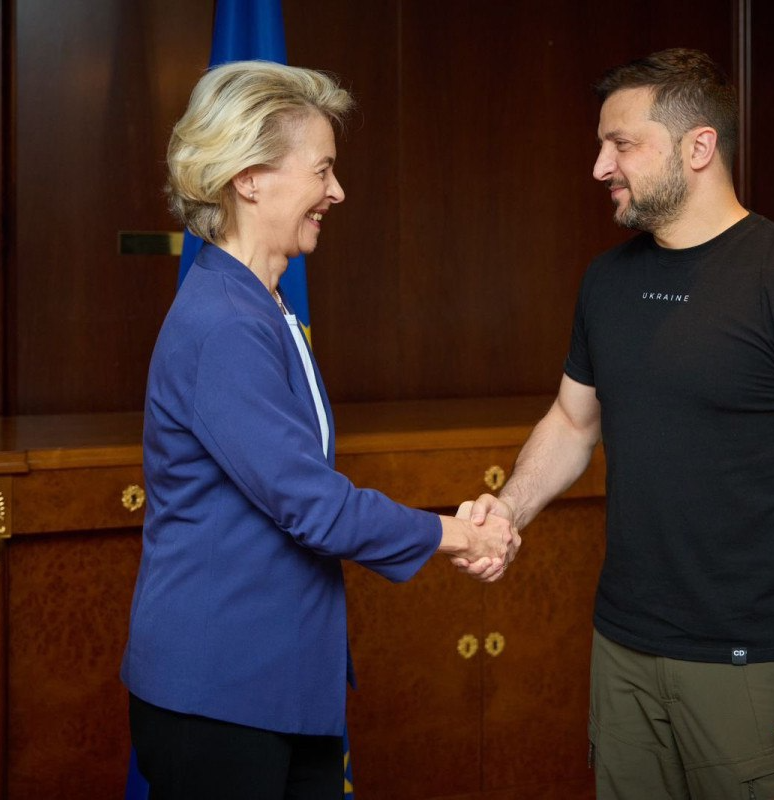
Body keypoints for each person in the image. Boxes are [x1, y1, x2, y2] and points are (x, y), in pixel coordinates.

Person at [461, 49, 774, 799]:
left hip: (754, 663)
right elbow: (572, 421)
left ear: (699, 147)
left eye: (621, 144)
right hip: (623, 649)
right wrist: (509, 512)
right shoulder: (606, 280)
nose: (600, 166)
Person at [121, 61, 517, 799]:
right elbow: (313, 505)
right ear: (249, 178)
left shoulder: (257, 304)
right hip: (220, 694)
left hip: (276, 682)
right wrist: (461, 535)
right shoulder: (224, 323)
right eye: (323, 170)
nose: (337, 192)